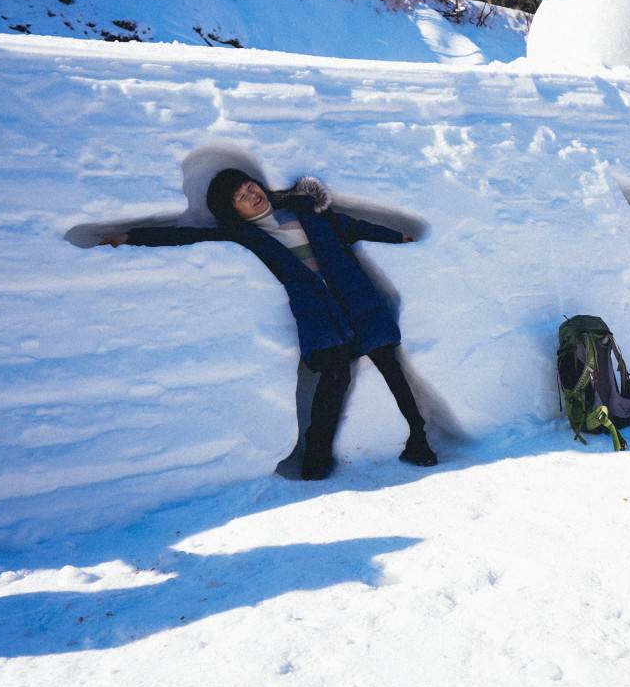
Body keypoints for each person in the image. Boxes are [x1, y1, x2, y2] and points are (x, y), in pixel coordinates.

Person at [99, 169, 438, 479]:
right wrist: (132, 237)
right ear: (233, 211)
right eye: (241, 197)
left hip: (354, 295)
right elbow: (186, 235)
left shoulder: (307, 211)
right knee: (335, 374)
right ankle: (316, 458)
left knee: (388, 364)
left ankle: (418, 439)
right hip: (318, 311)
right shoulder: (246, 236)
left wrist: (400, 238)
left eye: (250, 187)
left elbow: (354, 227)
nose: (251, 195)